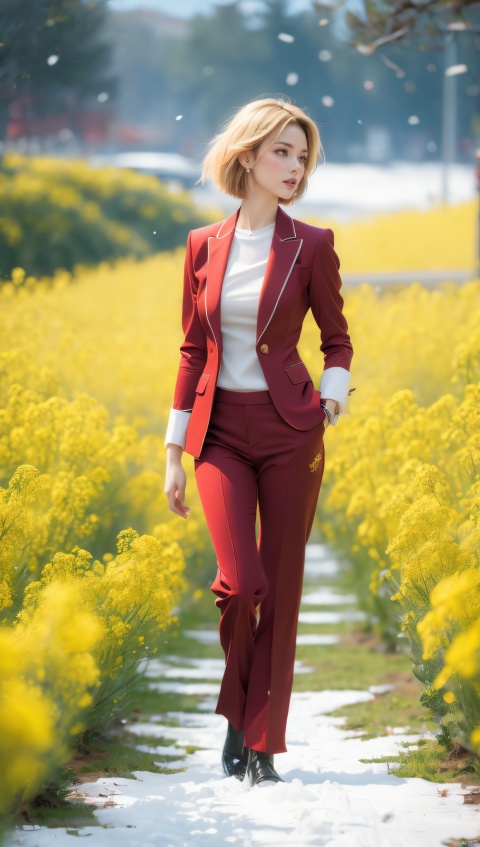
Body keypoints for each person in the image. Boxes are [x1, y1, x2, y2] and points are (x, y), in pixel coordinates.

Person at [164, 97, 353, 788]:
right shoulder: (200, 245)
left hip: (290, 431)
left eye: (302, 156)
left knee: (284, 587)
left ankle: (263, 743)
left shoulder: (314, 244)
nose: (295, 167)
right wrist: (172, 454)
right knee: (241, 585)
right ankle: (238, 715)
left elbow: (338, 337)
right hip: (219, 437)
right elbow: (191, 350)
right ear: (246, 156)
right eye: (282, 152)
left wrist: (331, 395)